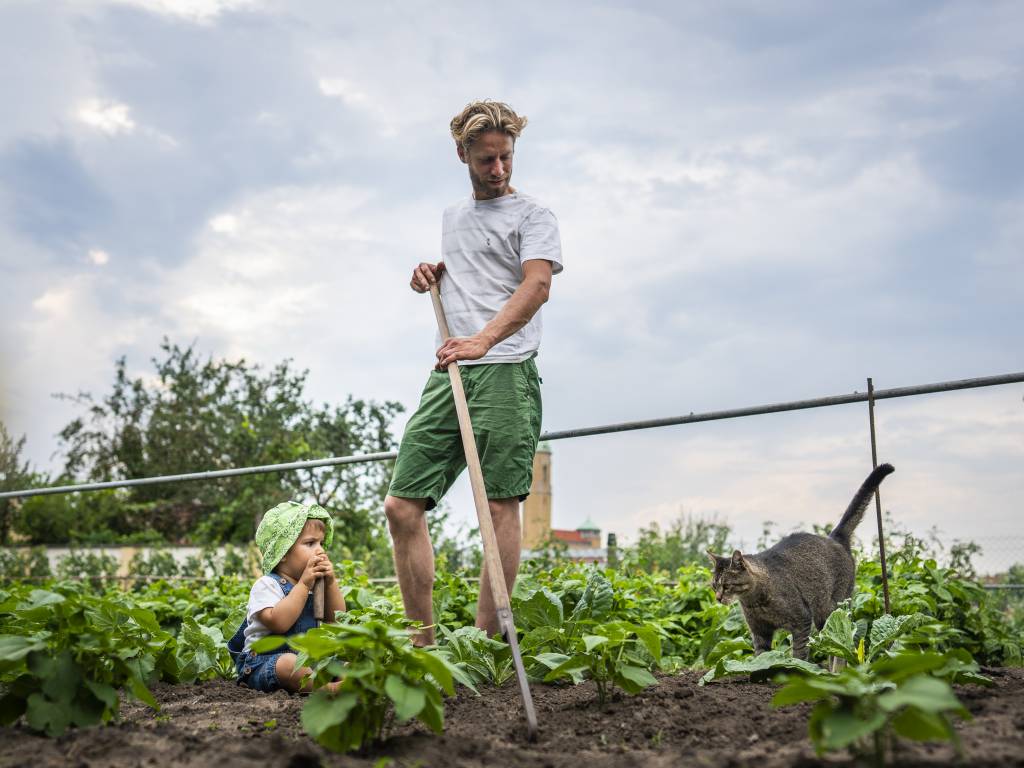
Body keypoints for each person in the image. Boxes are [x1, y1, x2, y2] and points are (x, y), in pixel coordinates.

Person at [385, 99, 563, 646]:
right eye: (487, 159)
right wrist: (430, 277)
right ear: (461, 153)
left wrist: (484, 340)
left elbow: (535, 286)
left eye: (506, 157)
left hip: (505, 370)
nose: (499, 170)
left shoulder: (534, 216)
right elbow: (471, 278)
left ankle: (483, 646)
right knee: (402, 505)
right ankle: (426, 644)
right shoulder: (452, 218)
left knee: (499, 503)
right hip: (450, 367)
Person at [228, 500, 346, 692]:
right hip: (264, 662)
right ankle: (328, 690)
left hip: (307, 660)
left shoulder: (313, 584)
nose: (321, 550)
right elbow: (278, 622)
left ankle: (353, 682)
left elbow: (336, 617)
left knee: (343, 660)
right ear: (282, 553)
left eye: (321, 543)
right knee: (288, 664)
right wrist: (304, 584)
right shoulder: (266, 585)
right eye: (310, 543)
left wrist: (331, 582)